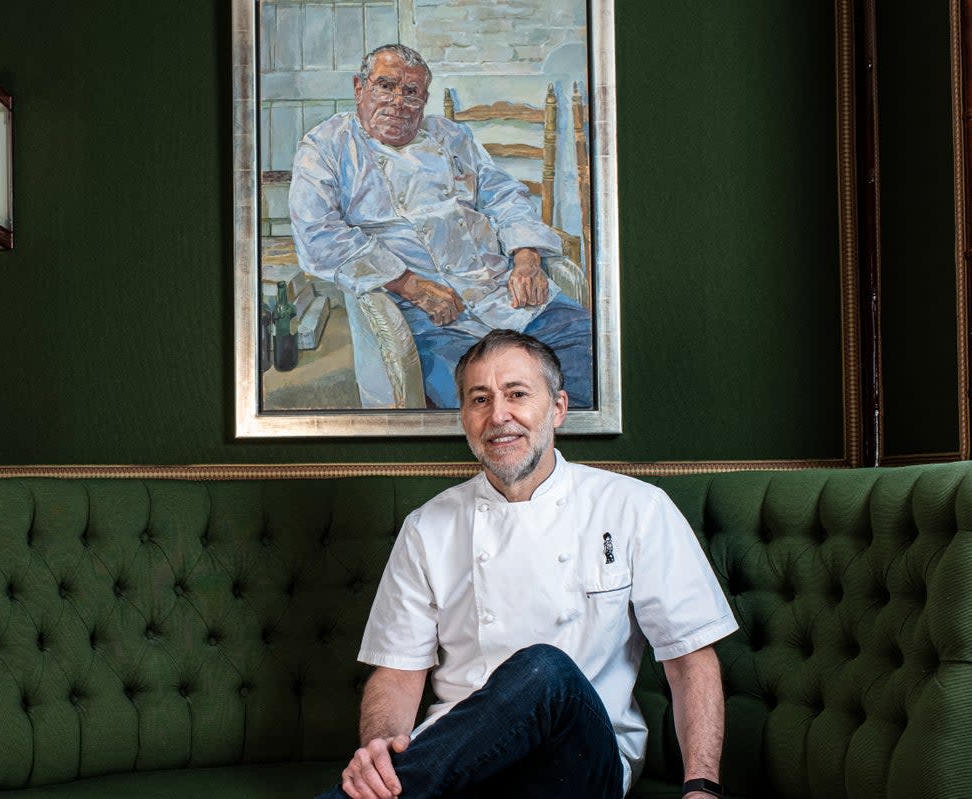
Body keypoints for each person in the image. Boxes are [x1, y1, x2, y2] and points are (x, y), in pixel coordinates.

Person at [316, 330, 738, 799]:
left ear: (557, 407)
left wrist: (702, 787)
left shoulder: (635, 508)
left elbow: (689, 659)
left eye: (517, 394)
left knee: (545, 669)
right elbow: (397, 671)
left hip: (580, 763)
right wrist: (378, 752)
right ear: (464, 417)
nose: (499, 416)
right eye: (480, 399)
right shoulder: (428, 527)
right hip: (461, 762)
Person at [288, 44, 594, 409]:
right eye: (385, 86)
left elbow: (504, 195)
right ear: (359, 87)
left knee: (593, 367)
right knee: (496, 411)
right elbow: (318, 235)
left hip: (503, 294)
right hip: (430, 320)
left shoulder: (450, 136)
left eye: (411, 92)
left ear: (425, 98)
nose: (398, 102)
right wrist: (410, 285)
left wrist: (526, 257)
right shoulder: (326, 147)